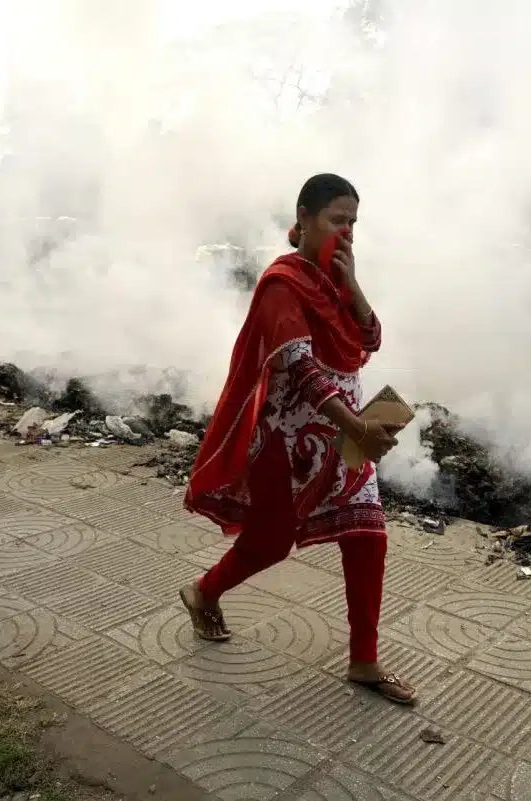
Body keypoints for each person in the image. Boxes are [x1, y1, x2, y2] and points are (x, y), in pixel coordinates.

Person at [181, 173, 416, 705]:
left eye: (354, 222)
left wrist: (353, 284)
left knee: (368, 534)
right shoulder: (282, 284)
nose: (348, 231)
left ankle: (365, 661)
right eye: (338, 220)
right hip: (287, 443)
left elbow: (371, 339)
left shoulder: (335, 281)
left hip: (341, 434)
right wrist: (356, 426)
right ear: (304, 218)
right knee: (268, 543)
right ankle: (203, 592)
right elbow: (301, 367)